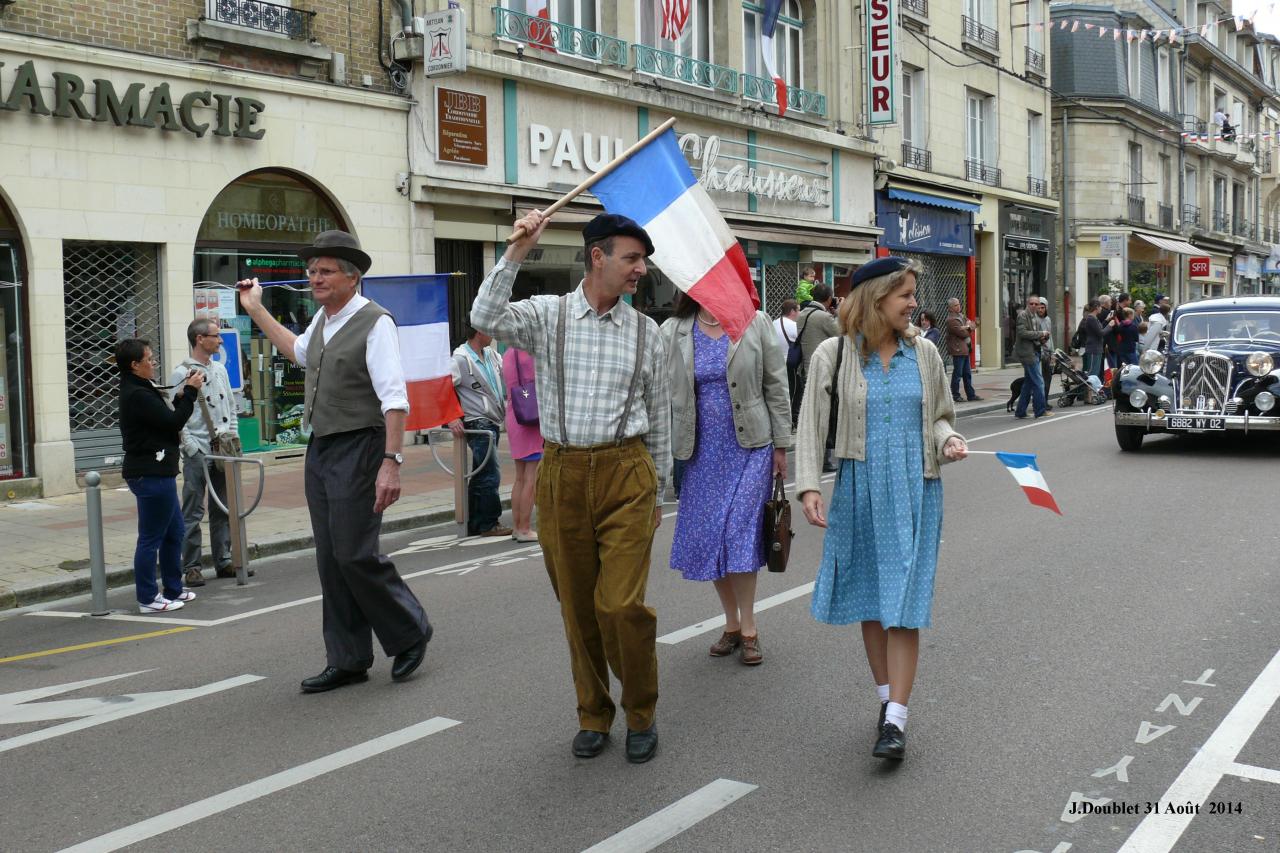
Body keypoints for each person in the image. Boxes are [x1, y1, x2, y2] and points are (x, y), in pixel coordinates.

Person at [470, 210, 670, 764]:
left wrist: (657, 491)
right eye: (632, 258)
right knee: (578, 607)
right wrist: (517, 249)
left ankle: (641, 712)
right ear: (597, 257)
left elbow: (660, 414)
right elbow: (484, 314)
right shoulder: (548, 316)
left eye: (643, 260)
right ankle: (593, 714)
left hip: (626, 473)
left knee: (621, 605)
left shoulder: (647, 333)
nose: (641, 270)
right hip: (561, 474)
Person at [237, 230, 432, 693]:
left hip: (362, 446)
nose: (314, 278)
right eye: (311, 271)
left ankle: (410, 630)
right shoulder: (324, 320)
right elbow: (299, 352)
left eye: (325, 270)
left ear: (352, 276)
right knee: (330, 558)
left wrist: (392, 461)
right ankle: (347, 658)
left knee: (354, 552)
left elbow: (394, 399)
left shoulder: (375, 321)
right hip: (322, 446)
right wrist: (256, 309)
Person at [795, 256, 968, 762]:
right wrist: (808, 485)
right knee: (873, 600)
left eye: (914, 294)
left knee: (904, 606)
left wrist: (950, 438)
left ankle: (896, 719)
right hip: (860, 487)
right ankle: (885, 700)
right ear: (875, 299)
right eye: (905, 295)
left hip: (916, 488)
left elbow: (939, 418)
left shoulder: (926, 354)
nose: (915, 303)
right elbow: (811, 421)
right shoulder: (836, 353)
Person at [662, 293, 791, 666]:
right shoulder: (675, 330)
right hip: (700, 450)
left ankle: (748, 627)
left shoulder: (754, 322)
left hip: (751, 445)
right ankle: (730, 624)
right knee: (711, 534)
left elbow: (776, 385)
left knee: (739, 531)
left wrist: (782, 445)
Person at [116, 338, 203, 613]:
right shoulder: (137, 394)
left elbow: (161, 420)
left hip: (159, 471)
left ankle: (173, 588)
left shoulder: (142, 388)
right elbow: (173, 423)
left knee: (173, 532)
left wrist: (180, 396)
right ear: (134, 365)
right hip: (149, 473)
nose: (153, 363)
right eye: (149, 359)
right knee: (151, 537)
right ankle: (148, 598)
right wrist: (190, 394)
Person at [169, 317, 239, 587]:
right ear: (200, 339)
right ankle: (192, 566)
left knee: (223, 506)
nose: (220, 340)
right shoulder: (182, 372)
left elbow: (230, 406)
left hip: (222, 448)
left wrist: (232, 436)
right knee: (193, 510)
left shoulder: (219, 369)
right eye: (215, 336)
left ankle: (223, 560)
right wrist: (189, 446)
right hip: (198, 449)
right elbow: (177, 413)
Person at [448, 326, 511, 538]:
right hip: (477, 422)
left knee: (481, 472)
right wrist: (452, 416)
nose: (493, 332)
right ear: (478, 332)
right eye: (489, 329)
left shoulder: (492, 354)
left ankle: (474, 521)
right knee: (490, 473)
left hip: (491, 420)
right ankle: (488, 523)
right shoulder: (460, 359)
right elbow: (444, 386)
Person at [796, 283, 840, 468]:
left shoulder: (802, 315)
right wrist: (838, 314)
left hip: (806, 370)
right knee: (826, 416)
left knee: (813, 415)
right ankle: (824, 459)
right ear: (829, 298)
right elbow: (842, 333)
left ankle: (814, 458)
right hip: (824, 371)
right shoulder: (823, 317)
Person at [502, 345, 542, 542]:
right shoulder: (529, 353)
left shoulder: (508, 353)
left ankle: (517, 527)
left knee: (519, 478)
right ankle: (525, 528)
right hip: (530, 415)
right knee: (531, 478)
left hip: (514, 414)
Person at [1013, 295, 1053, 419]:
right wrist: (1040, 334)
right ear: (1027, 304)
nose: (1034, 306)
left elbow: (1032, 337)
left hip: (1034, 351)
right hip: (1027, 353)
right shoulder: (1023, 315)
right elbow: (1022, 333)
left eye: (1036, 304)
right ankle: (1040, 410)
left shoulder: (1034, 317)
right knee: (1039, 382)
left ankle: (1020, 412)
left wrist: (1041, 340)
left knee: (1029, 383)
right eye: (1032, 304)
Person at [943, 297, 981, 403]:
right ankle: (955, 395)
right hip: (957, 349)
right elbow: (963, 333)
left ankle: (971, 395)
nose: (958, 306)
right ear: (950, 308)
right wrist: (968, 327)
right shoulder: (951, 320)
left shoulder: (960, 316)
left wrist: (967, 327)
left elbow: (971, 324)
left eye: (959, 304)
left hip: (964, 349)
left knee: (967, 374)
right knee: (958, 374)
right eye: (955, 305)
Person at [1080, 299, 1107, 382]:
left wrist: (1106, 321)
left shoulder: (1094, 318)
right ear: (1096, 307)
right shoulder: (1091, 318)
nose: (1101, 309)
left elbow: (1099, 329)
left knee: (1096, 373)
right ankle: (1087, 392)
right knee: (1092, 373)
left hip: (1097, 348)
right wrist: (1109, 325)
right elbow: (1100, 333)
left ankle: (1093, 392)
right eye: (1100, 307)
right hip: (1093, 349)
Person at [1035, 297, 1055, 404]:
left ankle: (1045, 401)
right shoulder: (1034, 320)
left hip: (1047, 353)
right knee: (1039, 380)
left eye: (1042, 307)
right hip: (1038, 353)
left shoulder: (1048, 320)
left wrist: (1052, 352)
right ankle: (1039, 402)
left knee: (1048, 379)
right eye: (1039, 307)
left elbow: (1050, 337)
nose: (1040, 310)